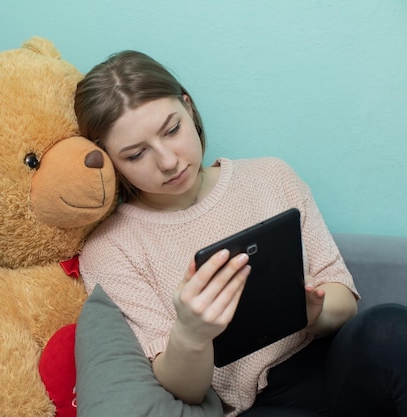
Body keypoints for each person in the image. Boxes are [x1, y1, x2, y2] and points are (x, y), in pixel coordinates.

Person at [74, 50, 407, 417]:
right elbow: (187, 391)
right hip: (259, 405)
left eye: (172, 130)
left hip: (333, 362)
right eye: (136, 155)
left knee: (387, 327)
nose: (168, 161)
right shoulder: (111, 248)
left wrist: (312, 311)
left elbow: (346, 302)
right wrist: (191, 333)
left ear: (189, 107)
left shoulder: (271, 177)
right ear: (108, 161)